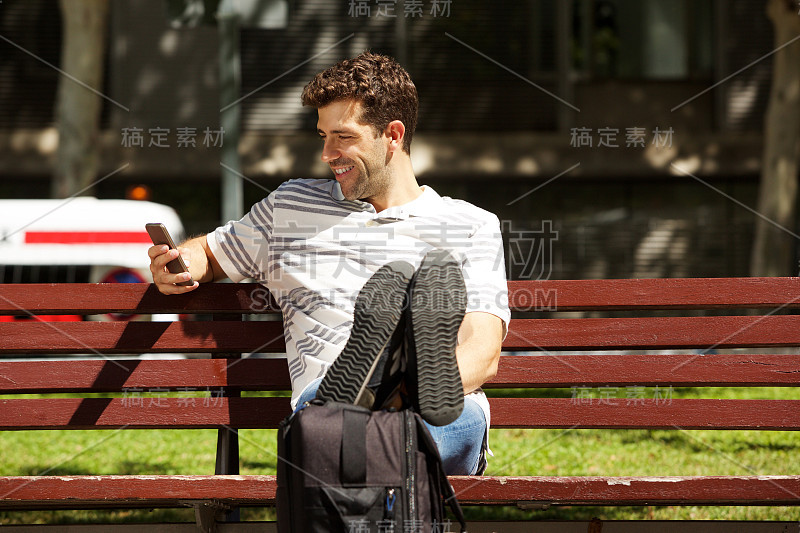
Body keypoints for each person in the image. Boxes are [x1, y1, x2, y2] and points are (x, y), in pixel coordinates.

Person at [148, 51, 510, 475]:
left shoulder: (470, 225)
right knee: (344, 429)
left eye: (343, 137)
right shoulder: (290, 207)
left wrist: (403, 393)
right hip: (329, 406)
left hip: (443, 410)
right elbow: (209, 254)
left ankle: (384, 382)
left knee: (359, 437)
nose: (327, 153)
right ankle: (375, 383)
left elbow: (483, 354)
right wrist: (179, 262)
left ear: (393, 135)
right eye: (323, 136)